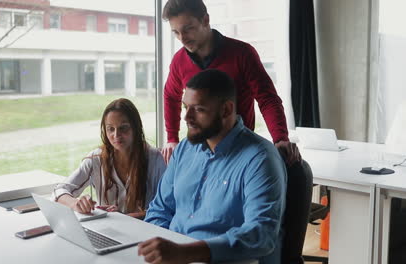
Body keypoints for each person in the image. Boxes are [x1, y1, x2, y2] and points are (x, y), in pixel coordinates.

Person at [139, 69, 287, 264]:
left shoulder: (260, 159)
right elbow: (160, 209)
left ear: (226, 110)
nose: (187, 117)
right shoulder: (184, 148)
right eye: (186, 107)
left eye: (198, 109)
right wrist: (159, 248)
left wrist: (186, 253)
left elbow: (260, 234)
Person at [160, 0, 300, 166]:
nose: (182, 38)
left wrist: (280, 138)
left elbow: (267, 98)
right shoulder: (179, 61)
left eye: (188, 29)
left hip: (241, 151)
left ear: (205, 20)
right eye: (176, 32)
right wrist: (172, 138)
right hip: (200, 152)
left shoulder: (242, 54)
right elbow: (170, 96)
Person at [53, 98, 166, 219]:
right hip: (107, 229)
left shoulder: (154, 159)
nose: (116, 135)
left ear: (136, 128)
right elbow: (59, 190)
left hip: (144, 232)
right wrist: (76, 203)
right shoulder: (96, 159)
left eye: (123, 128)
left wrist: (123, 217)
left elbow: (166, 207)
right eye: (110, 129)